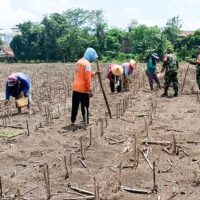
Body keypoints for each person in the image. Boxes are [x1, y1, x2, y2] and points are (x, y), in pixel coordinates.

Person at [71, 47, 98, 127]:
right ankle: (86, 122)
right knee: (85, 106)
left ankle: (73, 121)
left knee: (75, 105)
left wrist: (94, 73)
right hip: (83, 89)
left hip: (75, 88)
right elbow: (87, 78)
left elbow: (82, 74)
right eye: (93, 57)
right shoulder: (87, 64)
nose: (93, 60)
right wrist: (90, 90)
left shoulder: (79, 62)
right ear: (90, 55)